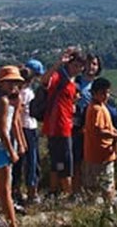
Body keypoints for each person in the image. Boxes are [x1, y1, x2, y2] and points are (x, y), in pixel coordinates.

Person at [40, 49, 86, 198]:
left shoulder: (72, 82)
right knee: (66, 162)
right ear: (69, 64)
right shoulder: (59, 77)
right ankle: (68, 194)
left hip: (60, 126)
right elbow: (44, 80)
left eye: (80, 66)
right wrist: (58, 64)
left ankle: (54, 191)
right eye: (76, 65)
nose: (78, 68)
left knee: (57, 161)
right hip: (60, 127)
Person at [0, 66, 25, 227]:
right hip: (0, 149)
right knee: (5, 189)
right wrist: (11, 152)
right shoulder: (2, 101)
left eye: (15, 83)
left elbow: (10, 124)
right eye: (9, 82)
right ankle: (12, 223)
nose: (13, 86)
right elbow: (2, 130)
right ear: (1, 83)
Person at [83, 77, 117, 203]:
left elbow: (107, 126)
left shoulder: (100, 106)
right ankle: (108, 211)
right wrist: (116, 136)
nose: (106, 95)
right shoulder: (97, 109)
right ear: (95, 93)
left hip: (95, 154)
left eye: (107, 92)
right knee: (106, 185)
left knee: (94, 186)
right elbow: (99, 131)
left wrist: (115, 131)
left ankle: (92, 210)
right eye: (103, 93)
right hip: (101, 155)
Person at [11, 60, 44, 205]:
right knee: (32, 161)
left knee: (19, 163)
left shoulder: (16, 93)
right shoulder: (26, 93)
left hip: (22, 128)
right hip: (28, 128)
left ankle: (16, 190)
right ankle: (32, 192)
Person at [72, 53, 102, 192]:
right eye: (89, 63)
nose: (91, 67)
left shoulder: (99, 84)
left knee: (92, 159)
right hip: (77, 126)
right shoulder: (76, 82)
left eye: (94, 64)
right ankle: (76, 189)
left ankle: (90, 189)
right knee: (77, 159)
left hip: (94, 126)